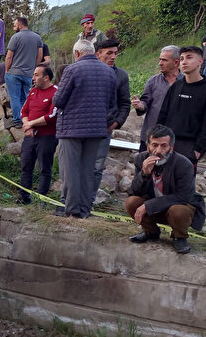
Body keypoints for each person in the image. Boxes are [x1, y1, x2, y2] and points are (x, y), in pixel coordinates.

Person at [53, 39, 116, 218]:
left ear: (77, 53)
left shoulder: (71, 70)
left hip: (72, 129)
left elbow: (58, 100)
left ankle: (72, 209)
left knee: (70, 171)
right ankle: (85, 209)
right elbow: (112, 104)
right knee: (89, 171)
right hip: (96, 130)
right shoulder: (109, 72)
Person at [125, 125, 206, 254]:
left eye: (164, 146)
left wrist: (148, 206)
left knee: (178, 211)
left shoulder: (183, 164)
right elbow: (135, 191)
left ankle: (179, 237)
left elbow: (184, 196)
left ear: (171, 147)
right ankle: (151, 232)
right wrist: (144, 174)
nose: (158, 151)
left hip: (176, 207)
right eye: (154, 145)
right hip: (155, 207)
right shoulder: (141, 159)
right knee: (131, 202)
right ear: (148, 146)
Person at [156, 46, 206, 172]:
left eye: (189, 58)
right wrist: (157, 138)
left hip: (190, 145)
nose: (184, 62)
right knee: (161, 179)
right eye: (181, 59)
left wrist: (198, 149)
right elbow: (163, 114)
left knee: (184, 181)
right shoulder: (176, 86)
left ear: (200, 61)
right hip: (167, 143)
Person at [90, 39, 131, 203]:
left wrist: (116, 123)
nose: (113, 56)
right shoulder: (88, 72)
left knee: (97, 166)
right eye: (109, 53)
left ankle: (89, 200)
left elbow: (125, 103)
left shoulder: (121, 75)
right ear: (98, 54)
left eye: (115, 53)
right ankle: (72, 198)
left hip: (105, 128)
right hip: (83, 127)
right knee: (78, 165)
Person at [18, 65, 58, 205]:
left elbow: (52, 115)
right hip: (30, 135)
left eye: (36, 75)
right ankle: (24, 197)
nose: (33, 78)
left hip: (47, 136)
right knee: (26, 166)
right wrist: (27, 125)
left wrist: (31, 123)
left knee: (44, 168)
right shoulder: (33, 91)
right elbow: (24, 111)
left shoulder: (55, 92)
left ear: (46, 78)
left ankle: (41, 200)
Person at [133, 45, 182, 151]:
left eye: (164, 60)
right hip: (151, 137)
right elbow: (145, 102)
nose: (160, 63)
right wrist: (140, 105)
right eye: (160, 59)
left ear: (176, 62)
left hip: (174, 139)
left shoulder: (185, 83)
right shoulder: (153, 81)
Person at [3, 16, 43, 128]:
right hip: (29, 74)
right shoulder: (37, 38)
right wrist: (33, 69)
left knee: (14, 98)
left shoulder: (15, 37)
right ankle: (26, 118)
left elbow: (9, 56)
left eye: (15, 25)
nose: (14, 27)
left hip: (14, 73)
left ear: (20, 25)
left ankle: (17, 120)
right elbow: (40, 56)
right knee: (25, 97)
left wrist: (6, 70)